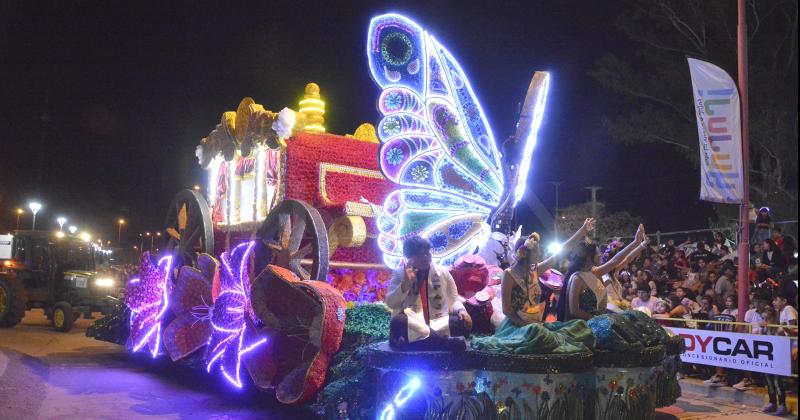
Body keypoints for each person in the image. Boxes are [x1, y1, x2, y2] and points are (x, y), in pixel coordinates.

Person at [500, 218, 596, 326]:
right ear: (525, 254)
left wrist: (582, 231)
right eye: (536, 253)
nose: (539, 255)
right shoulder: (509, 274)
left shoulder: (535, 270)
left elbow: (562, 251)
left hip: (535, 323)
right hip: (516, 326)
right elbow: (506, 309)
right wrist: (525, 326)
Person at [386, 236, 472, 352]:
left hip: (437, 321)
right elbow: (391, 302)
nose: (425, 257)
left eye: (427, 253)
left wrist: (462, 311)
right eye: (420, 255)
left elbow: (454, 299)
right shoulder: (400, 273)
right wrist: (405, 284)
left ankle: (415, 344)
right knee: (399, 320)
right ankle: (445, 342)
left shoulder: (442, 272)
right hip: (413, 323)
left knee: (460, 321)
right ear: (410, 258)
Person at [556, 224, 647, 321]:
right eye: (597, 253)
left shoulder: (596, 271)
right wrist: (597, 320)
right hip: (585, 325)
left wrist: (636, 242)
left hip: (601, 319)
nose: (600, 255)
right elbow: (574, 310)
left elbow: (616, 260)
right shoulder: (577, 278)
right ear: (588, 258)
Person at [733, 291, 770, 390]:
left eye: (760, 301)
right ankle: (748, 379)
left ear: (765, 302)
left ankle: (765, 381)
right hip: (752, 340)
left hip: (766, 341)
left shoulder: (770, 313)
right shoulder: (750, 312)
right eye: (756, 301)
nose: (758, 303)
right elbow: (746, 329)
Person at [759, 306, 788, 415]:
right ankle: (772, 403)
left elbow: (782, 339)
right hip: (767, 358)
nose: (765, 321)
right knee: (769, 382)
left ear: (774, 318)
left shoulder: (779, 328)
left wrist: (781, 330)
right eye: (763, 319)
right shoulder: (764, 328)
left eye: (767, 319)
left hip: (778, 358)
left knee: (777, 382)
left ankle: (782, 405)